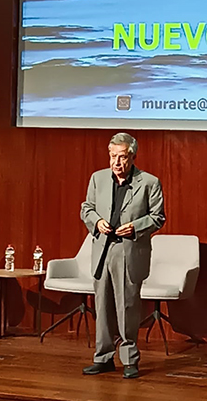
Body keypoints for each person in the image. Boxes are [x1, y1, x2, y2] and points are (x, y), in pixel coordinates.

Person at [80, 132, 165, 379]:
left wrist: (136, 227)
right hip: (102, 248)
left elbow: (158, 217)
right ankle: (103, 357)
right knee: (102, 306)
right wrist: (97, 222)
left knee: (127, 306)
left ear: (133, 157)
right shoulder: (97, 178)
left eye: (122, 157)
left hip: (128, 249)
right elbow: (87, 208)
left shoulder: (149, 182)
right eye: (113, 156)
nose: (116, 162)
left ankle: (129, 359)